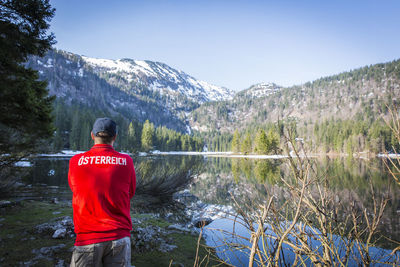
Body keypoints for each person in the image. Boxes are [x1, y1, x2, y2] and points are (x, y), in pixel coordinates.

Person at [68, 117, 136, 267]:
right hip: (119, 236)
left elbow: (76, 190)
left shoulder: (75, 161)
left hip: (87, 239)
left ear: (92, 135)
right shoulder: (126, 161)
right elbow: (130, 193)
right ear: (115, 137)